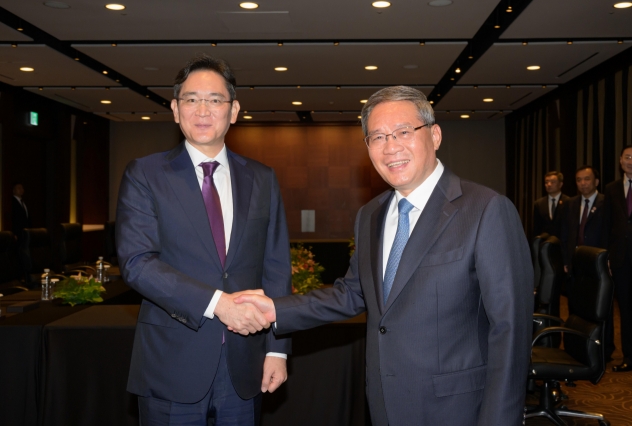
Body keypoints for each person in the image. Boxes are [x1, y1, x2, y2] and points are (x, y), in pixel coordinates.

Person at [236, 86, 533, 425]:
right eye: (377, 137)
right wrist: (275, 309)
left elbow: (511, 330)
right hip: (384, 403)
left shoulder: (486, 209)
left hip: (458, 409)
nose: (390, 147)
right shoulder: (370, 216)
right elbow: (351, 294)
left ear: (434, 135)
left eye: (403, 132)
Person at [116, 54, 291, 425]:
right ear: (176, 110)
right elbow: (137, 264)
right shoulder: (145, 174)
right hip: (171, 363)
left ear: (234, 110)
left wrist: (278, 350)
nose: (203, 110)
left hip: (245, 365)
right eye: (191, 100)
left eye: (215, 100)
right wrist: (217, 304)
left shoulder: (262, 178)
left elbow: (276, 267)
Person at [561, 165, 613, 359]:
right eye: (579, 180)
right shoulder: (571, 203)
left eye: (587, 179)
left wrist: (609, 260)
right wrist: (566, 260)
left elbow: (611, 234)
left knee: (601, 309)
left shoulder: (606, 202)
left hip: (599, 263)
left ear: (596, 182)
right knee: (577, 308)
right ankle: (580, 347)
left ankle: (604, 350)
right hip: (576, 265)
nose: (583, 183)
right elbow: (565, 235)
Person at [604, 144, 632, 372]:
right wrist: (607, 256)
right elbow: (608, 225)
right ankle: (631, 357)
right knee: (625, 310)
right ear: (620, 161)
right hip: (620, 259)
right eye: (628, 157)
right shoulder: (611, 189)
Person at [532, 171, 569, 238]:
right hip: (544, 243)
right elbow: (536, 227)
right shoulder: (539, 203)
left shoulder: (568, 202)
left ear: (560, 184)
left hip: (563, 243)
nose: (549, 184)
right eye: (546, 182)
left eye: (552, 182)